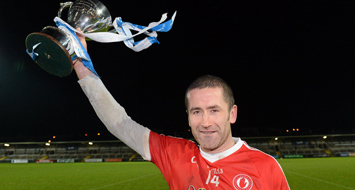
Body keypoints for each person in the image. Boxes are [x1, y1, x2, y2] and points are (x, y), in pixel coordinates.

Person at [73, 31, 290, 190]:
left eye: (214, 110)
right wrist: (80, 62)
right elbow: (119, 123)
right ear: (187, 117)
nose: (205, 122)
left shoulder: (265, 167)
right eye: (197, 112)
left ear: (232, 114)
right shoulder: (175, 154)